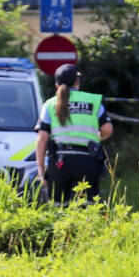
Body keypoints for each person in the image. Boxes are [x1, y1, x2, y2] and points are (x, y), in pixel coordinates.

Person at [36, 64, 113, 202]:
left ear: (56, 84)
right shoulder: (93, 101)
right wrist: (97, 138)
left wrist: (41, 170)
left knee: (58, 209)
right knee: (90, 208)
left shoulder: (50, 104)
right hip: (88, 161)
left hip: (59, 162)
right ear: (77, 82)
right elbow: (107, 129)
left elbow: (42, 138)